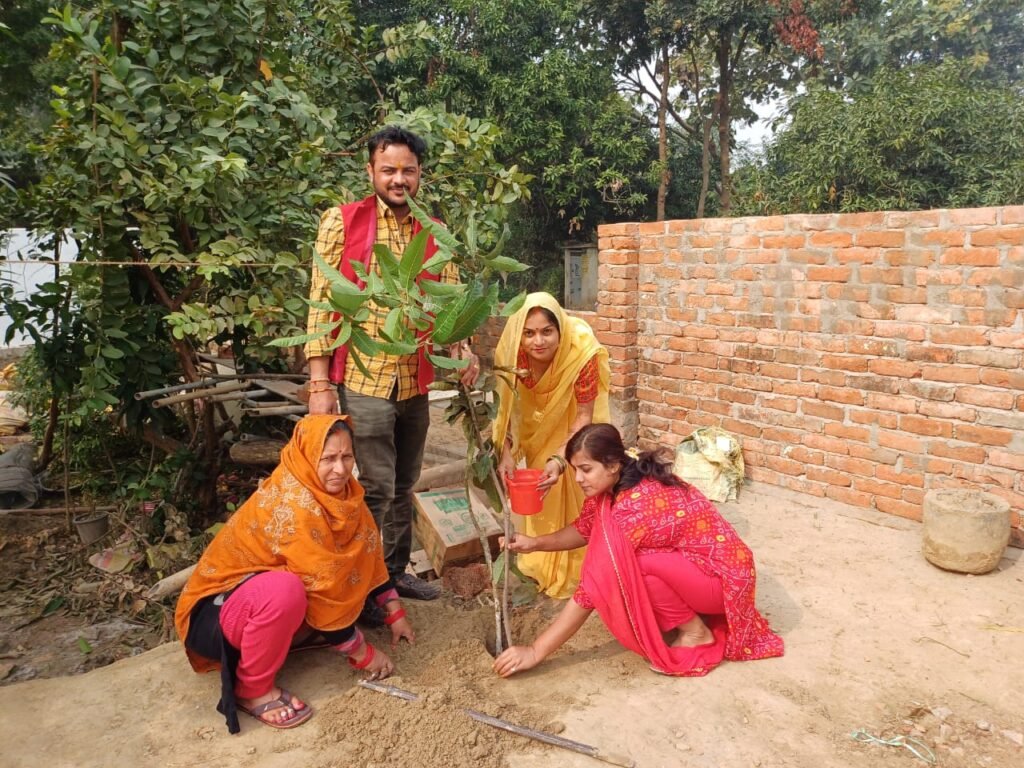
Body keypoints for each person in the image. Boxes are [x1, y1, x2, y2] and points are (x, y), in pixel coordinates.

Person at [303, 125, 479, 607]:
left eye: (408, 170)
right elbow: (322, 304)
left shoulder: (432, 229)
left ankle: (394, 574)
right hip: (364, 377)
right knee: (376, 488)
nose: (399, 179)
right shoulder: (342, 222)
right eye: (389, 170)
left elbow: (453, 301)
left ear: (420, 173)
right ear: (371, 172)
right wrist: (319, 383)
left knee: (404, 484)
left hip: (414, 380)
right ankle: (363, 586)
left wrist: (463, 350)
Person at [174, 415, 415, 733]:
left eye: (346, 457)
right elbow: (323, 587)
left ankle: (290, 638)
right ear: (305, 457)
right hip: (215, 616)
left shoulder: (346, 497)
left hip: (249, 602)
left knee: (303, 588)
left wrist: (395, 612)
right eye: (327, 458)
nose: (340, 470)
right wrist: (363, 654)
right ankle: (251, 690)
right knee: (286, 590)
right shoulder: (294, 504)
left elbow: (368, 553)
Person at [493, 423, 784, 678]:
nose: (579, 479)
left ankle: (697, 633)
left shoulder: (634, 506)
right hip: (714, 571)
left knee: (632, 565)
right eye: (575, 471)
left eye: (586, 469)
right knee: (628, 562)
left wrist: (535, 651)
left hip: (724, 584)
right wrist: (534, 543)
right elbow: (584, 529)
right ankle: (689, 619)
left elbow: (591, 588)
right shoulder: (617, 485)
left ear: (613, 465)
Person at [491, 292, 610, 598]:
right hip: (534, 425)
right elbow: (506, 409)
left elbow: (584, 415)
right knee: (540, 491)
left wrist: (560, 459)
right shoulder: (513, 356)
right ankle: (541, 559)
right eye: (529, 333)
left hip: (572, 426)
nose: (537, 342)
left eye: (547, 331)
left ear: (560, 330)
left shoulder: (581, 353)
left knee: (573, 482)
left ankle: (581, 565)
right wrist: (505, 454)